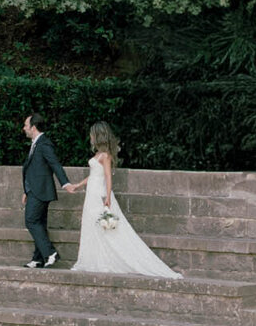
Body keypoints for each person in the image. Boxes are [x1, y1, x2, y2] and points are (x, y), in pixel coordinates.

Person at [70, 121, 182, 278]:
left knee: (105, 227)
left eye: (92, 134)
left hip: (99, 194)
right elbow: (93, 175)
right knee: (91, 226)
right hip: (91, 194)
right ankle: (93, 260)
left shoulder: (105, 156)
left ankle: (106, 261)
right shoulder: (97, 155)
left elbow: (108, 176)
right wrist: (78, 185)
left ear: (98, 136)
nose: (90, 137)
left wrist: (108, 197)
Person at [21, 113, 76, 268]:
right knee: (39, 223)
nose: (24, 128)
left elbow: (55, 164)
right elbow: (34, 169)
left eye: (26, 125)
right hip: (34, 190)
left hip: (40, 191)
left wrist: (65, 183)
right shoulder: (36, 144)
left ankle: (50, 253)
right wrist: (26, 191)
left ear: (33, 127)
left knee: (31, 221)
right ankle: (38, 258)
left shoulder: (44, 144)